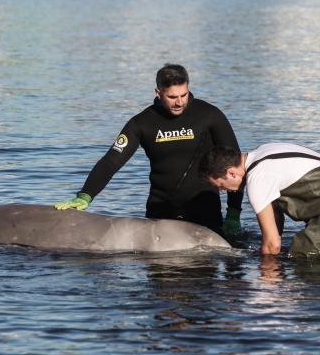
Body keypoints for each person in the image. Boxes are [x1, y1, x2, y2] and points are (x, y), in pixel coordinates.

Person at [54, 64, 243, 236]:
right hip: (160, 210)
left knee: (204, 271)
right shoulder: (142, 123)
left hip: (204, 209)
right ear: (158, 92)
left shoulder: (209, 115)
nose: (179, 102)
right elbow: (112, 160)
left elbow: (236, 164)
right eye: (172, 97)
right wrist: (85, 195)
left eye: (183, 95)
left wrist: (233, 212)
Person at [198, 143, 320, 257]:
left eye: (220, 185)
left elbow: (272, 244)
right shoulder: (261, 153)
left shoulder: (257, 179)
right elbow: (275, 216)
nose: (221, 191)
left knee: (303, 254)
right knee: (315, 253)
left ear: (231, 173)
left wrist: (266, 280)